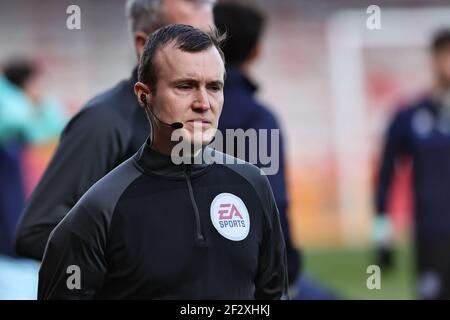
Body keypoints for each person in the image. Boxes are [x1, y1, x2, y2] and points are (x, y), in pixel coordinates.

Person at [38, 24, 288, 299]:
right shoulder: (99, 210)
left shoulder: (252, 186)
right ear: (144, 95)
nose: (203, 103)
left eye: (214, 87)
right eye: (185, 86)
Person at [15, 0, 216, 261]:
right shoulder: (105, 121)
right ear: (143, 46)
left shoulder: (204, 117)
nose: (204, 55)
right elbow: (36, 233)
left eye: (208, 41)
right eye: (187, 42)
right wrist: (132, 266)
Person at [374, 29, 450, 299]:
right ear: (434, 60)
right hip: (432, 235)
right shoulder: (410, 116)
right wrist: (382, 232)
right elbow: (385, 172)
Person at [0, 58, 65, 257]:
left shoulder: (19, 101)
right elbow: (26, 125)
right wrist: (37, 104)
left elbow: (54, 127)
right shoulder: (11, 102)